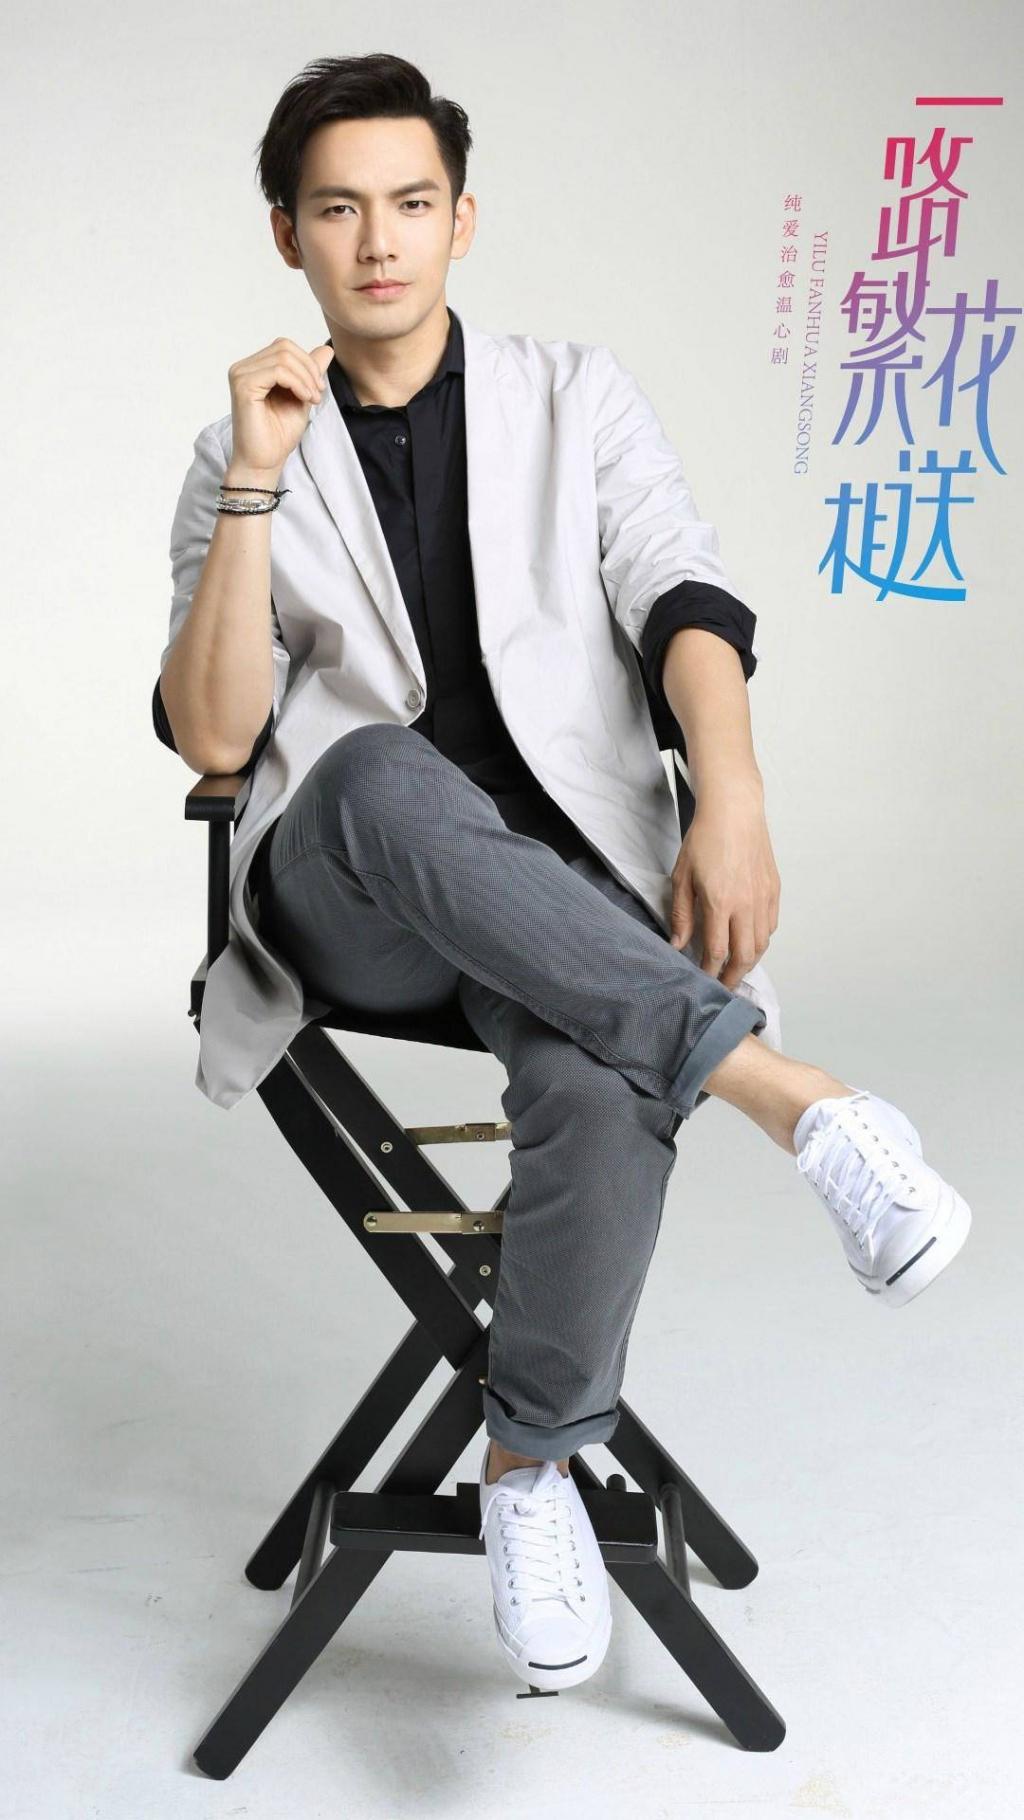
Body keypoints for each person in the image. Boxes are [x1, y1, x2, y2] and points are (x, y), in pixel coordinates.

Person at [153, 53, 972, 1696]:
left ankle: (529, 1465)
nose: (378, 241)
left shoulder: (572, 395)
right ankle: (791, 1095)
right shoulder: (240, 451)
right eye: (338, 210)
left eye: (410, 203)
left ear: (461, 219)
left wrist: (730, 795)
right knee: (380, 766)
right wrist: (252, 477)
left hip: (562, 894)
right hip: (354, 901)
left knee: (599, 1076)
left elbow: (682, 591)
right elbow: (217, 738)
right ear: (288, 235)